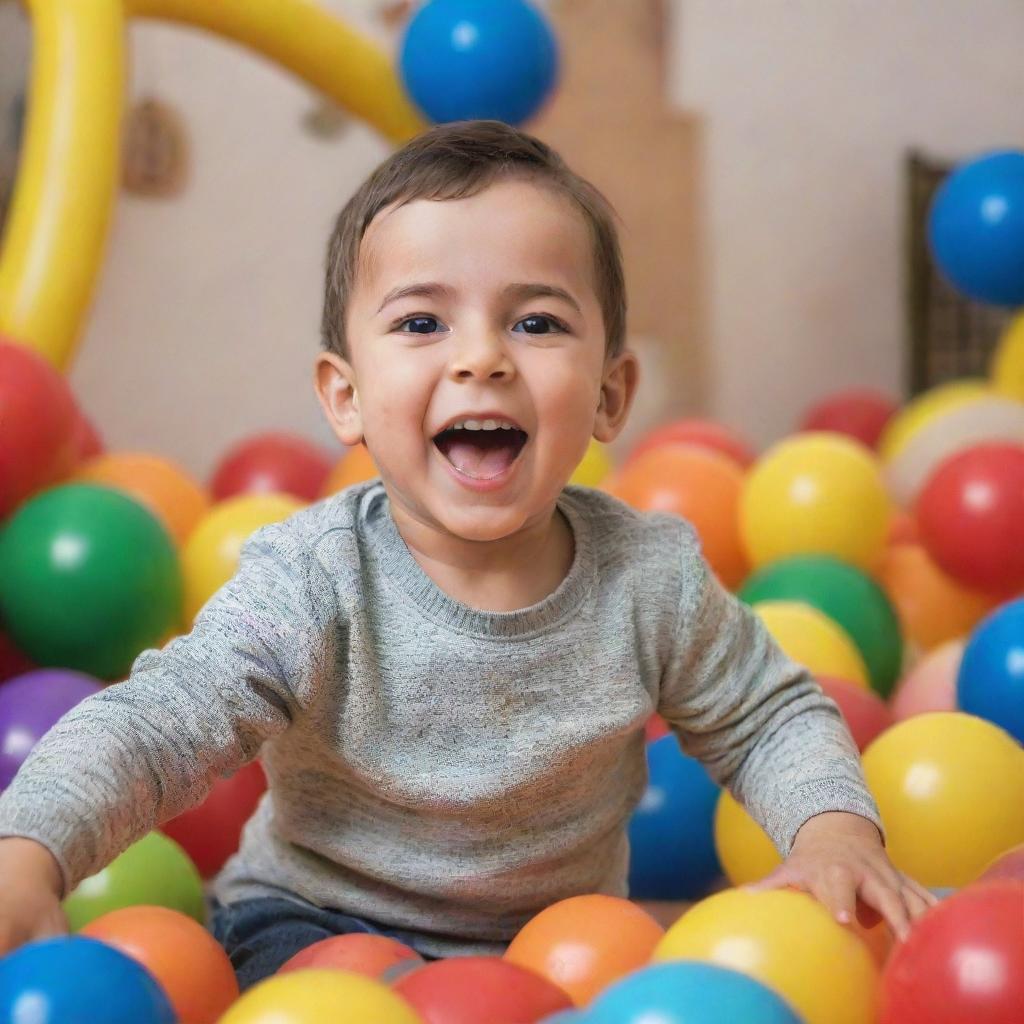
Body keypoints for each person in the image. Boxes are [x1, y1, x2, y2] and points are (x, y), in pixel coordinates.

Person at [0, 120, 932, 989]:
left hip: (559, 955)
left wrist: (834, 833)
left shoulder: (649, 577)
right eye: (420, 323)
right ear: (345, 395)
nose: (482, 357)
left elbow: (767, 715)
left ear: (610, 396)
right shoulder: (314, 578)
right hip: (316, 925)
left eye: (536, 323)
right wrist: (28, 853)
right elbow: (159, 724)